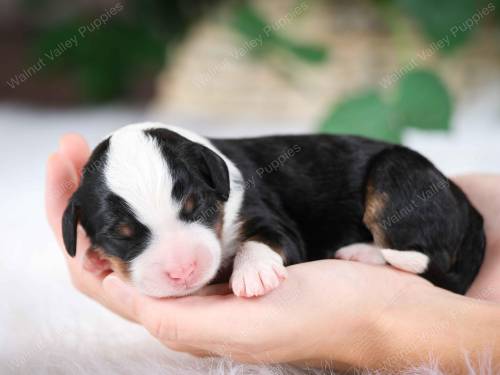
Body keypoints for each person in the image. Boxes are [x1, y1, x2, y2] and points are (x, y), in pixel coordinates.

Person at [45, 134, 500, 373]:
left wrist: (256, 255)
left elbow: (280, 236)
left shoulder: (228, 177)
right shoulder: (197, 172)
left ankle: (422, 258)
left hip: (391, 177)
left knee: (398, 189)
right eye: (125, 237)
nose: (181, 264)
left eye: (194, 213)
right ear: (80, 229)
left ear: (215, 182)